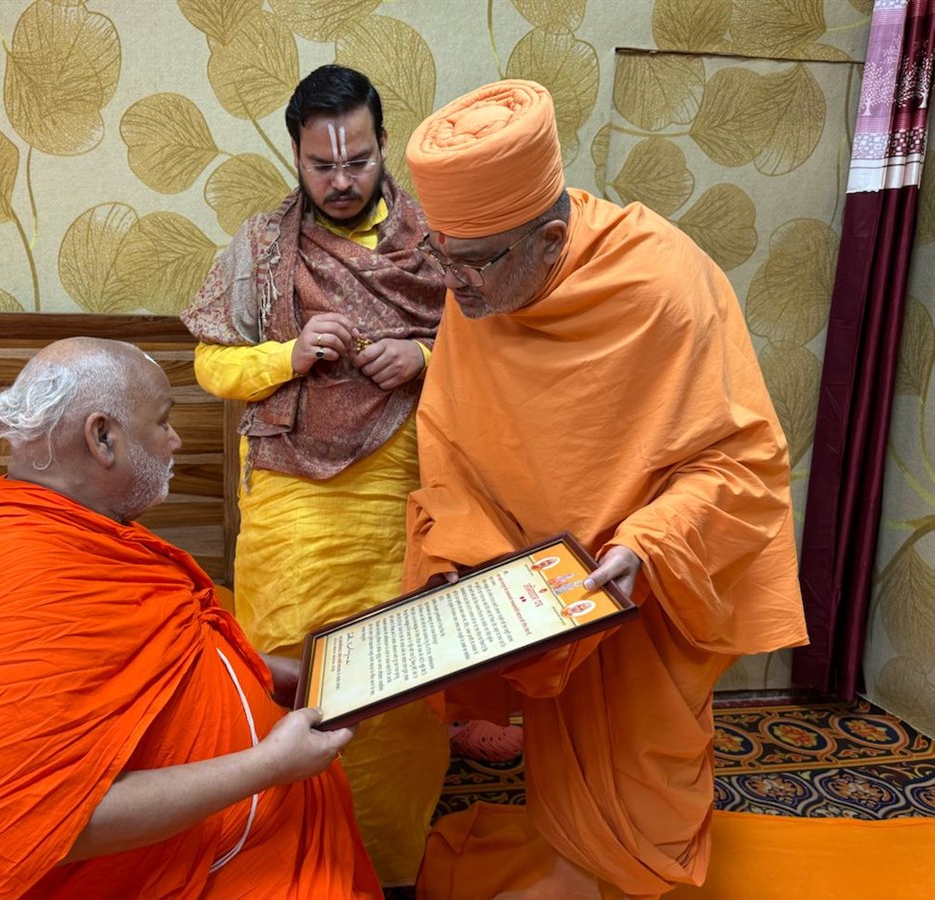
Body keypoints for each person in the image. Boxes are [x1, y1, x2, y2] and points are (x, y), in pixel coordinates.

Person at [402, 81, 809, 899]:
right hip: (542, 599)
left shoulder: (664, 287)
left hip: (637, 596)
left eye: (470, 261)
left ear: (550, 239)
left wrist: (646, 546)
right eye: (435, 252)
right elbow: (448, 452)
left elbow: (742, 464)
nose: (451, 284)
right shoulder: (474, 294)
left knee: (646, 793)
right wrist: (460, 556)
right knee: (563, 789)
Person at [0, 338, 382, 899]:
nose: (175, 440)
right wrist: (268, 766)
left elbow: (127, 654)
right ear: (102, 437)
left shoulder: (71, 524)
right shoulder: (20, 577)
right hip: (178, 865)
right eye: (163, 422)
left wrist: (257, 667)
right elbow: (42, 824)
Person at [181, 64, 449, 886]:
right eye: (321, 165)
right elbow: (207, 367)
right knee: (294, 680)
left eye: (359, 161)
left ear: (380, 142)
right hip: (293, 506)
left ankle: (392, 868)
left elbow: (510, 361)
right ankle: (294, 864)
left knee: (404, 689)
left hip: (406, 499)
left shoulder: (438, 242)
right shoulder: (261, 247)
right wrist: (285, 355)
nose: (342, 180)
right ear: (296, 155)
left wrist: (430, 358)